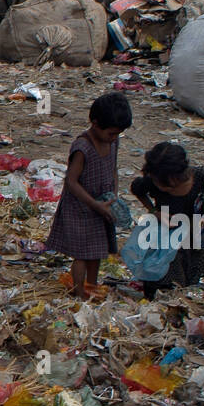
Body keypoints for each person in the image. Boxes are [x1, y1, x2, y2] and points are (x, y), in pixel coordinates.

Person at [44, 91, 133, 299]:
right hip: (81, 207)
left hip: (102, 204)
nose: (114, 138)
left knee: (98, 250)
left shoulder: (112, 142)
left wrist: (114, 195)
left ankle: (91, 287)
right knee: (82, 254)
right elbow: (71, 182)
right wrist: (94, 204)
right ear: (94, 123)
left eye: (117, 134)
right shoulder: (82, 148)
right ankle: (78, 292)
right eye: (111, 133)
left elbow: (113, 169)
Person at [130, 141, 204, 300]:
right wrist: (154, 211)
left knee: (193, 268)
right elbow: (137, 190)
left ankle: (185, 297)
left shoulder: (203, 177)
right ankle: (162, 299)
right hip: (168, 234)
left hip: (197, 233)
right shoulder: (154, 180)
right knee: (165, 272)